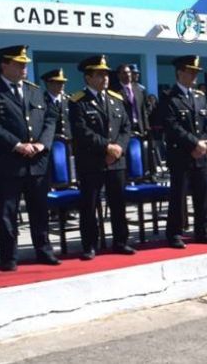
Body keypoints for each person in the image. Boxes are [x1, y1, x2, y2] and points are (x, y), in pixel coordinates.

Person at [0, 45, 60, 271]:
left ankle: (44, 251)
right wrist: (17, 145)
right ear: (4, 65)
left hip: (37, 161)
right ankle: (9, 257)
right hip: (9, 162)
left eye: (25, 63)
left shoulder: (35, 90)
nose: (24, 67)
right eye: (19, 63)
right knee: (8, 211)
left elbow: (50, 118)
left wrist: (42, 143)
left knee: (40, 209)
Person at [69, 55, 135, 260]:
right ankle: (89, 245)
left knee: (118, 203)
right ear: (88, 78)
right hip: (92, 161)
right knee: (89, 205)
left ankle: (120, 241)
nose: (105, 78)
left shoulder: (116, 99)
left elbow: (126, 127)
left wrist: (118, 149)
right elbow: (82, 131)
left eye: (106, 74)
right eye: (99, 74)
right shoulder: (77, 101)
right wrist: (107, 147)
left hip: (116, 162)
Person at [160, 55, 207, 249]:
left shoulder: (199, 97)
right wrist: (194, 144)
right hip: (181, 155)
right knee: (178, 197)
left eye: (196, 72)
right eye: (190, 72)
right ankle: (174, 233)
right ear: (179, 73)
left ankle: (203, 231)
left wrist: (204, 143)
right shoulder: (169, 97)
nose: (194, 76)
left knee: (202, 195)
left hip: (200, 155)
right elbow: (172, 127)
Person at [113, 64, 150, 135]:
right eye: (124, 73)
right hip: (123, 129)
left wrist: (146, 127)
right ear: (118, 75)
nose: (128, 75)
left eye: (129, 72)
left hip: (139, 128)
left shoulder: (139, 89)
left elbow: (143, 110)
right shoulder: (114, 91)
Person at [41, 68, 71, 138]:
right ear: (48, 83)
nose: (62, 85)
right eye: (58, 82)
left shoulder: (69, 100)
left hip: (70, 141)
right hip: (51, 141)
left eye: (63, 82)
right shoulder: (41, 100)